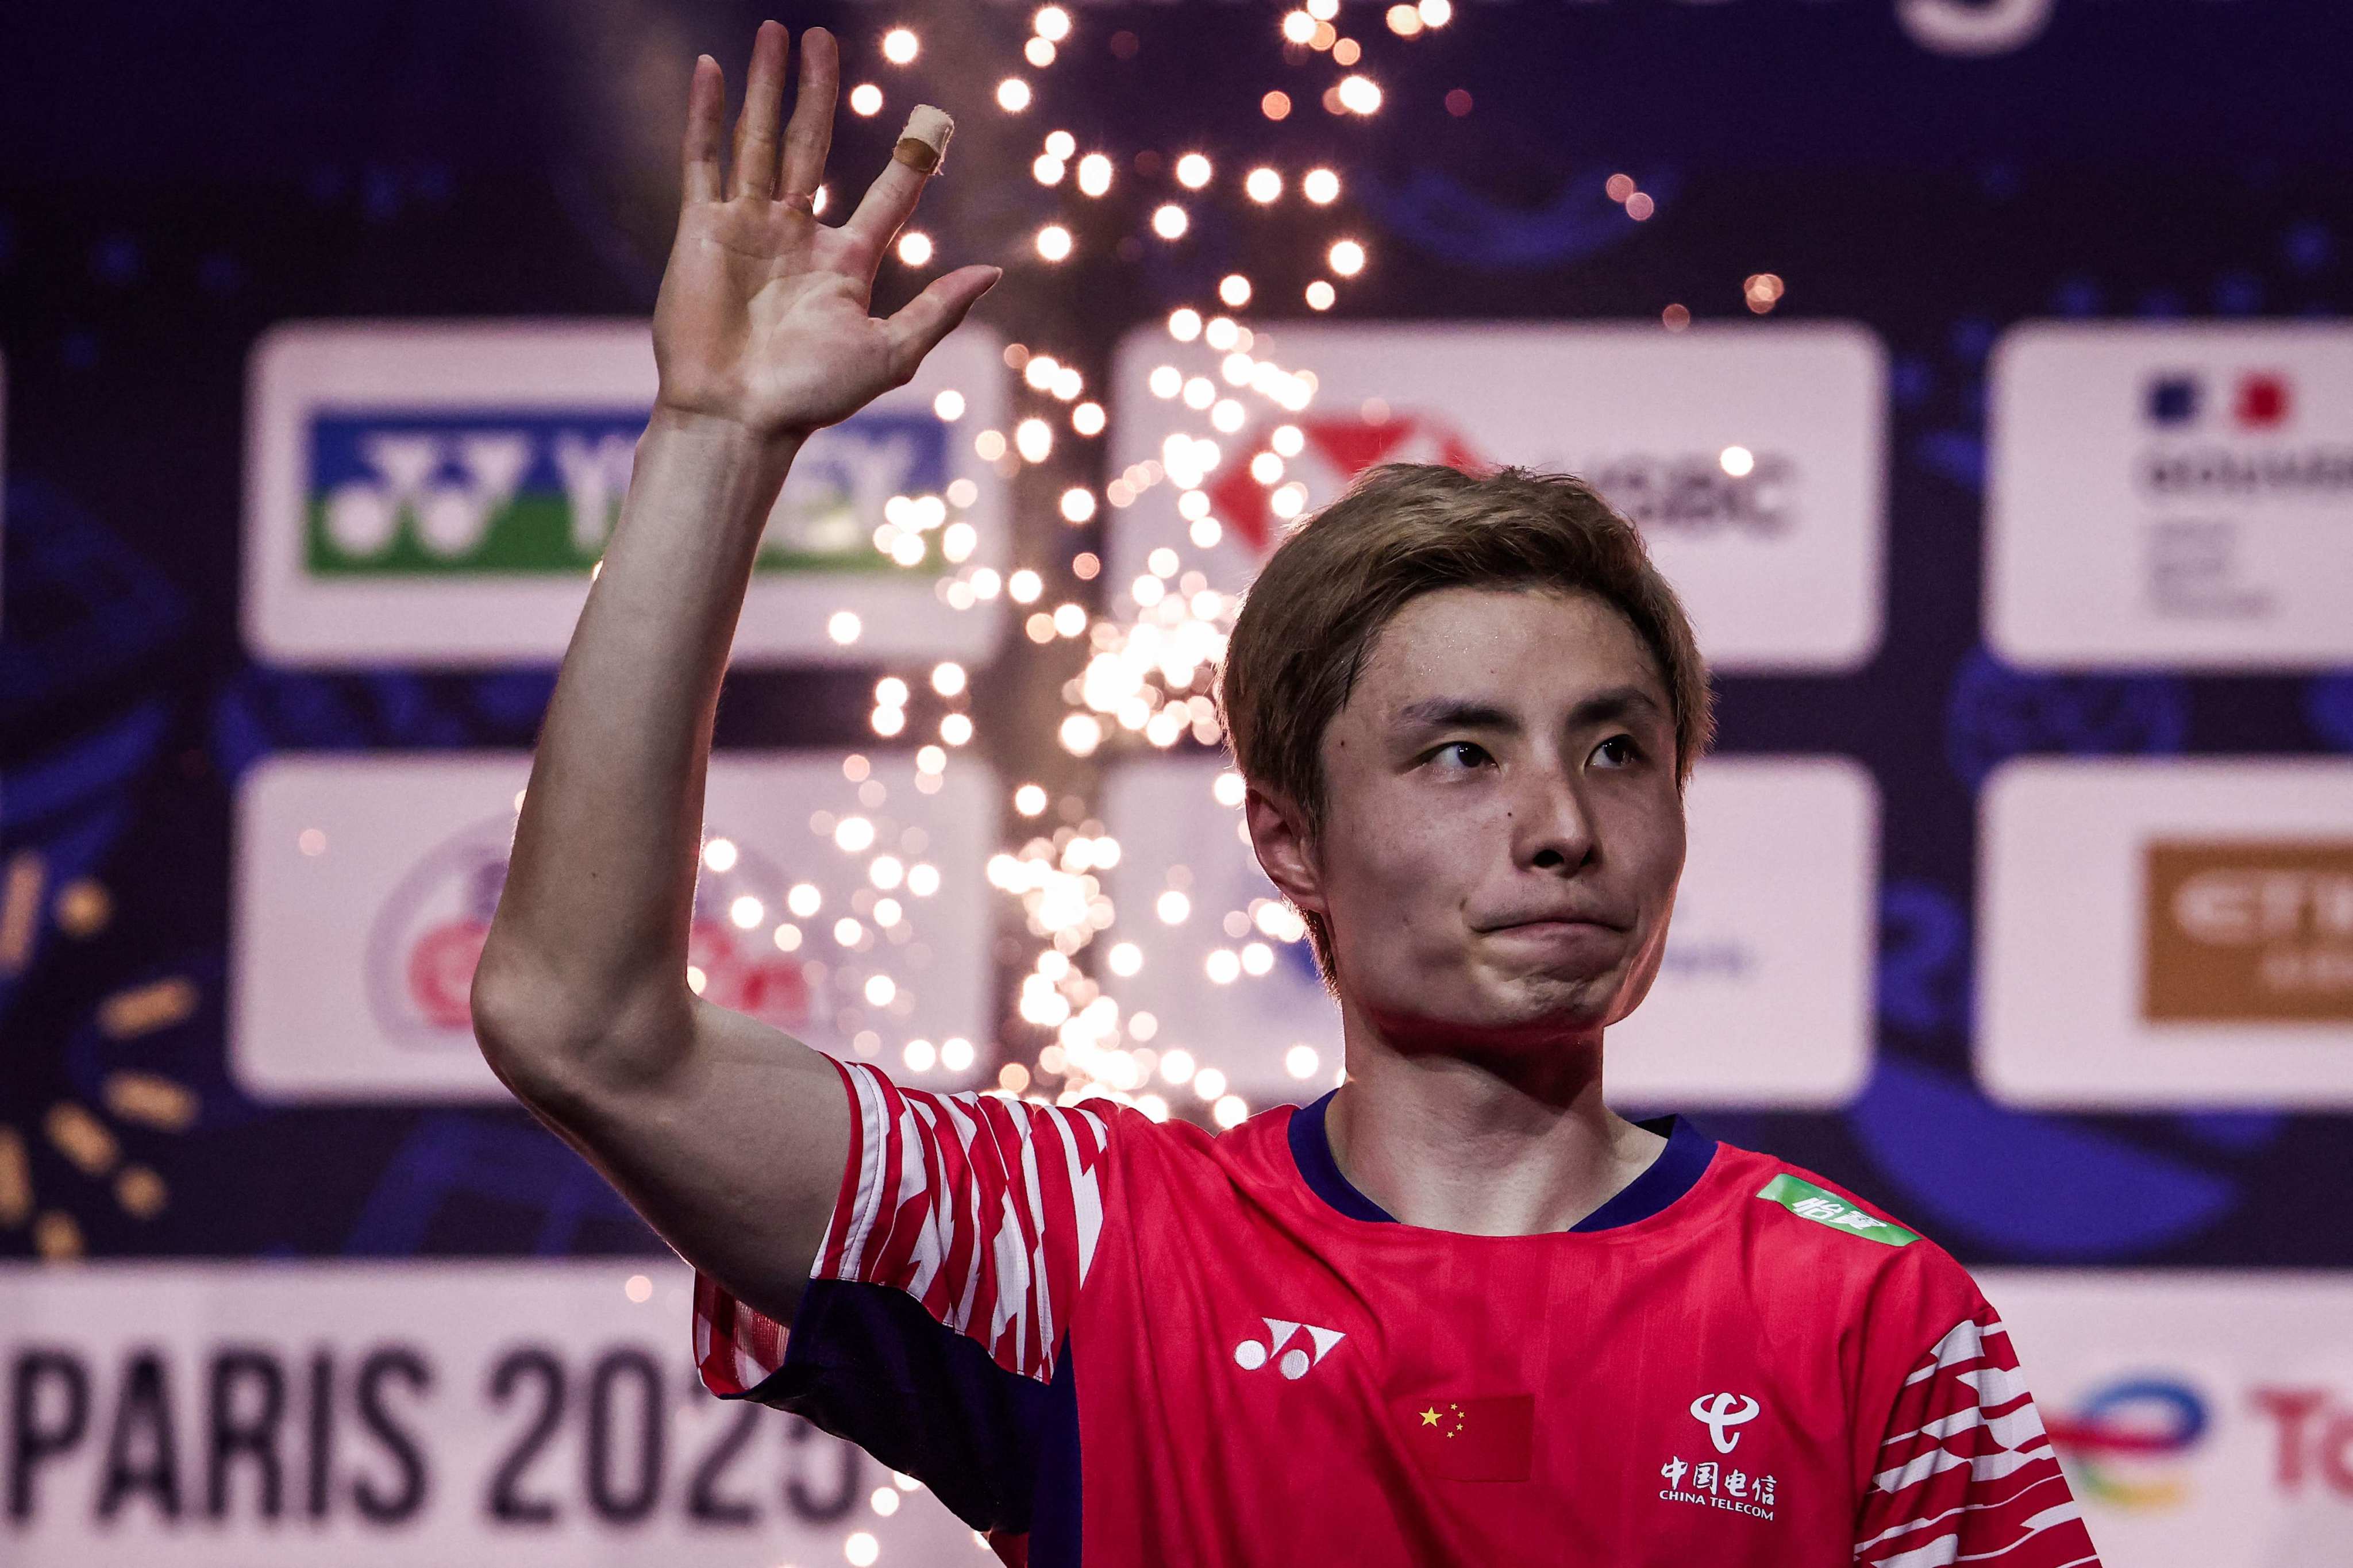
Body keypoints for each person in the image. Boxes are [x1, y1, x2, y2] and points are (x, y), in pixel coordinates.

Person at [470, 22, 2100, 1568]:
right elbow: (577, 1020)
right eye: (1461, 753)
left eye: (1617, 749)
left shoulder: (1871, 1317)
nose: (1563, 824)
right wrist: (713, 432)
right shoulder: (1086, 1256)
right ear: (1287, 839)